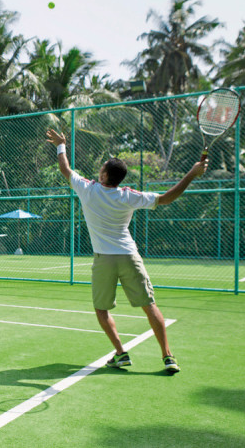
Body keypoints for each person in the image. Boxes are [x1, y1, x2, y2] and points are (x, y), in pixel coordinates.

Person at [45, 129, 207, 373]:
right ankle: (168, 356)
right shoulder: (128, 196)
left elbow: (65, 169)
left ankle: (120, 353)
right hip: (130, 256)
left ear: (104, 174)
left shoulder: (88, 190)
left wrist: (61, 146)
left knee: (101, 310)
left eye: (102, 167)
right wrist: (192, 174)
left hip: (104, 260)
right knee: (149, 305)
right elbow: (167, 198)